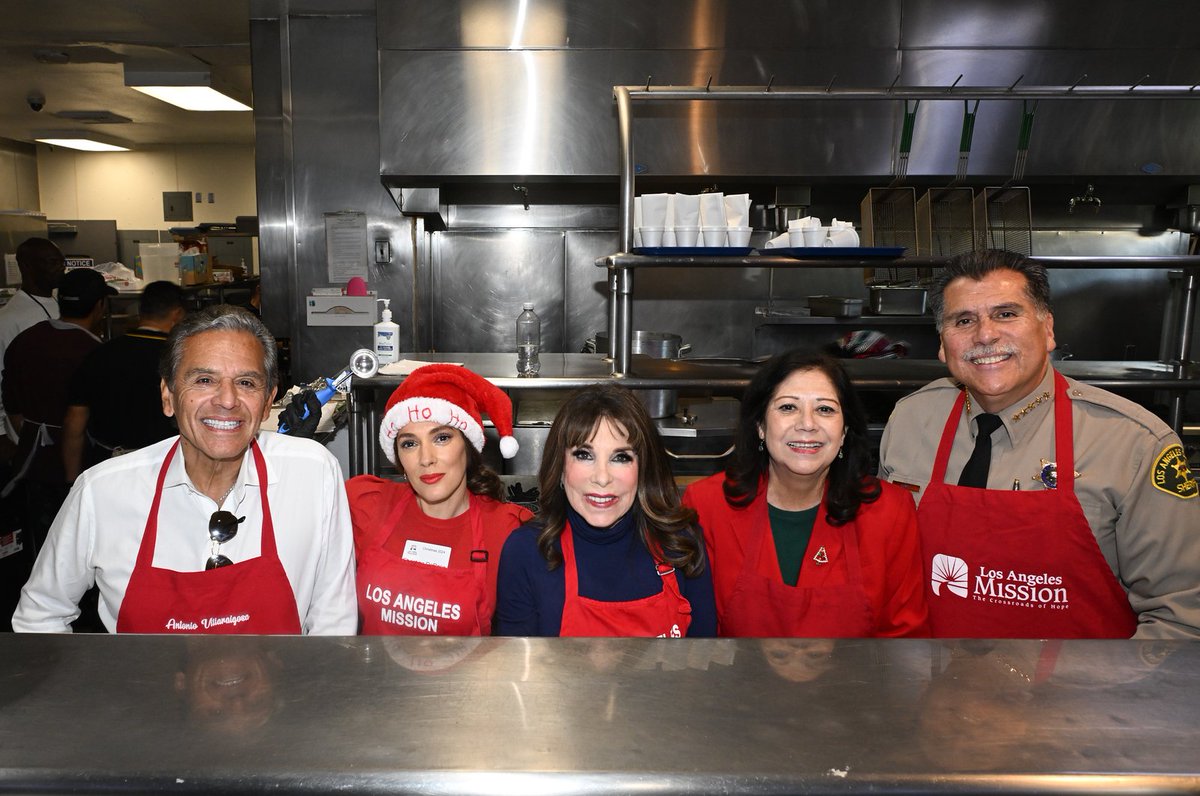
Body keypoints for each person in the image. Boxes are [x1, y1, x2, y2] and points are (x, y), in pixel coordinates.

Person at [880, 249, 1200, 639]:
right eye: (963, 320)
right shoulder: (910, 420)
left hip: (1079, 695)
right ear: (944, 345)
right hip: (929, 688)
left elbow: (1179, 618)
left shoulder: (1133, 442)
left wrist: (1111, 698)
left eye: (1006, 314)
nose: (985, 335)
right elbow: (882, 567)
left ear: (1047, 329)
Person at [11, 304, 356, 634]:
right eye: (204, 380)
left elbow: (333, 619)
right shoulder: (102, 493)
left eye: (247, 383)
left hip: (285, 694)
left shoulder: (312, 474)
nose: (227, 400)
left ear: (268, 402)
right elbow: (40, 615)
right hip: (146, 695)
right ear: (168, 396)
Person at [682, 350, 929, 637]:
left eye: (825, 409)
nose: (807, 424)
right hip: (734, 681)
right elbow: (696, 639)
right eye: (788, 407)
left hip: (858, 682)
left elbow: (906, 641)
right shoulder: (707, 506)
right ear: (760, 426)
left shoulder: (890, 511)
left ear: (845, 430)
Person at [288, 363, 532, 635]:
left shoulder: (509, 531)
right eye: (409, 443)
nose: (426, 458)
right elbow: (291, 521)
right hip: (372, 676)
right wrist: (295, 452)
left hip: (464, 678)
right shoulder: (366, 504)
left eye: (441, 438)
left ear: (469, 446)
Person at [494, 383, 717, 637]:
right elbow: (517, 674)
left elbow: (703, 667)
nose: (602, 478)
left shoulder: (682, 545)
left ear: (643, 470)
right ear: (560, 467)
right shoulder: (526, 552)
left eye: (620, 457)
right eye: (584, 455)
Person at [2, 268, 116, 543]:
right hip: (80, 466)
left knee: (43, 542)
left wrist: (35, 433)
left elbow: (12, 406)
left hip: (32, 462)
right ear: (100, 306)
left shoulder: (25, 340)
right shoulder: (95, 352)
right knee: (80, 542)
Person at [61, 280, 188, 481]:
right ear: (178, 314)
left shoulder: (99, 354)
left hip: (105, 466)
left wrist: (71, 481)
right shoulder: (178, 359)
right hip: (163, 467)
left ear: (141, 311)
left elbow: (74, 422)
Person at [0, 237, 64, 457]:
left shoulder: (60, 301)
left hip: (60, 431)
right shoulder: (9, 318)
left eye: (62, 261)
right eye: (52, 262)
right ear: (26, 267)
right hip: (24, 437)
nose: (61, 268)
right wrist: (1, 436)